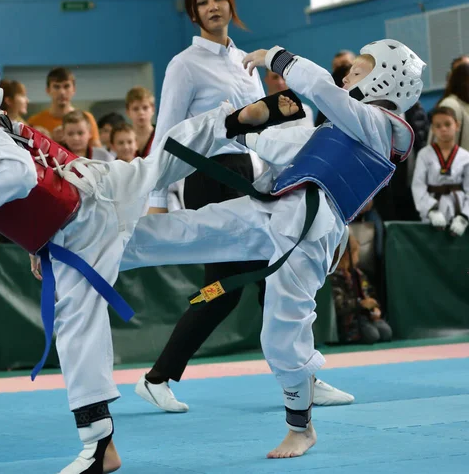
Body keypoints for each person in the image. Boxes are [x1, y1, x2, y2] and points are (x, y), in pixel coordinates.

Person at [0, 42, 303, 473]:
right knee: (162, 167)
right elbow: (29, 185)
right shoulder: (0, 123)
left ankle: (99, 444)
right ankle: (232, 132)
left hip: (78, 227)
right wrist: (36, 245)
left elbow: (16, 175)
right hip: (94, 181)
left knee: (77, 325)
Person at [121, 38, 425, 458]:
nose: (348, 75)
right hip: (275, 208)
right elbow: (291, 149)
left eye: (359, 69)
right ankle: (89, 245)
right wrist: (241, 131)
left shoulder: (379, 126)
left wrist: (276, 58)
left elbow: (320, 87)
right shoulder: (344, 124)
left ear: (384, 79)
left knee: (280, 335)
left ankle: (300, 428)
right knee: (183, 230)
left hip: (308, 234)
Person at [136, 0, 353, 413]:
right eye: (202, 1)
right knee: (237, 284)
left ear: (231, 4)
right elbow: (166, 135)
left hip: (248, 176)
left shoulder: (244, 61)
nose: (213, 6)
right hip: (208, 178)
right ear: (192, 11)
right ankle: (298, 377)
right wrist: (157, 198)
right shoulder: (184, 65)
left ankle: (162, 376)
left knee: (245, 282)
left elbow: (256, 128)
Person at [412, 106, 469, 235]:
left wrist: (465, 217)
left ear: (457, 125)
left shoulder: (466, 157)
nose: (443, 129)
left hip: (458, 212)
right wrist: (431, 210)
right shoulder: (424, 154)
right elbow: (418, 186)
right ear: (432, 129)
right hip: (432, 214)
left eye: (448, 124)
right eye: (438, 126)